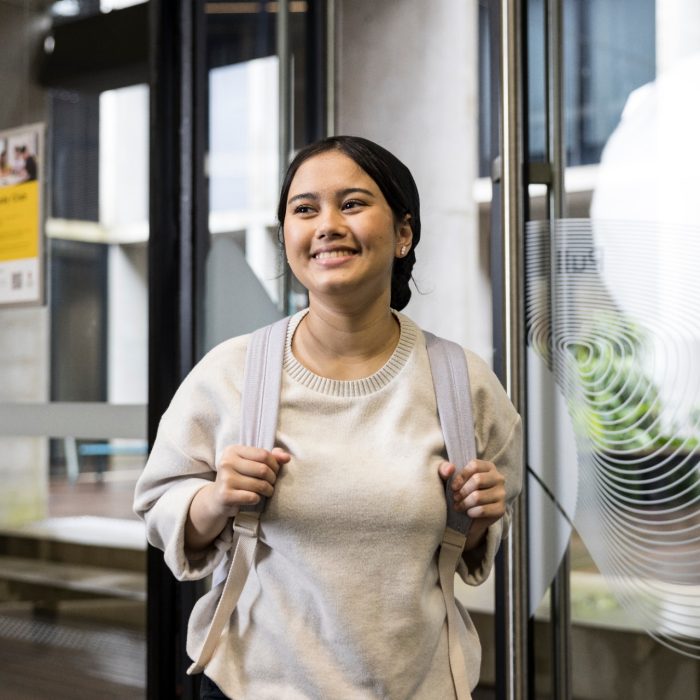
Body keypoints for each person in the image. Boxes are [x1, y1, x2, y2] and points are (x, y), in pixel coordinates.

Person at [134, 135, 522, 699]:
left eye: (354, 204)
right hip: (256, 686)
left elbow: (477, 535)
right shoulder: (232, 373)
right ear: (287, 236)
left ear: (404, 234)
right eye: (305, 209)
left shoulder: (463, 383)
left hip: (420, 685)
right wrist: (214, 499)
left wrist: (480, 515)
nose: (327, 224)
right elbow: (157, 504)